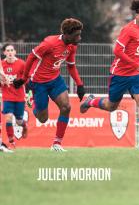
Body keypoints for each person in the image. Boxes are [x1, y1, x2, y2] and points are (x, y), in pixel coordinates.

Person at [80, 0, 139, 150]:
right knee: (111, 106)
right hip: (120, 74)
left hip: (136, 75)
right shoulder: (128, 30)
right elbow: (117, 51)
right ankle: (90, 101)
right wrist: (136, 64)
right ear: (137, 15)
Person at [12, 18, 86, 152]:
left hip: (55, 79)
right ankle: (31, 99)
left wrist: (80, 85)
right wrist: (24, 78)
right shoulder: (49, 43)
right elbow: (31, 57)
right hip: (38, 82)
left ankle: (57, 143)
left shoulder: (72, 46)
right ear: (67, 34)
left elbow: (71, 66)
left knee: (66, 107)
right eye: (77, 35)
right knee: (43, 119)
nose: (79, 38)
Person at [1, 44, 28, 150]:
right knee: (8, 118)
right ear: (4, 53)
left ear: (15, 52)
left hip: (19, 97)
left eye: (12, 50)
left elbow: (27, 78)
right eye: (8, 50)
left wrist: (20, 81)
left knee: (18, 121)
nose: (10, 52)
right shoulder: (1, 65)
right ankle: (12, 142)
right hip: (7, 96)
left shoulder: (22, 64)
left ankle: (24, 126)